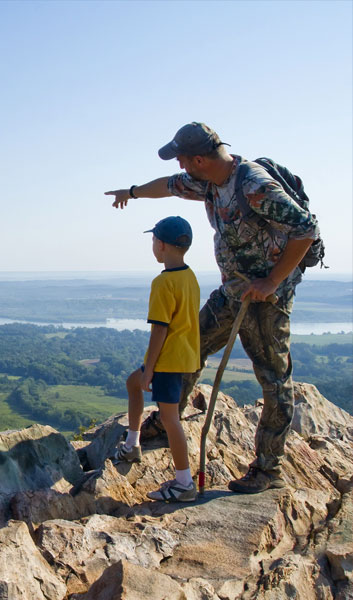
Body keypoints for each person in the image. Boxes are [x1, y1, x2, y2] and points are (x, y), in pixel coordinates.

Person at [106, 122, 319, 494]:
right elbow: (169, 186)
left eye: (184, 160)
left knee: (273, 378)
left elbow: (305, 229)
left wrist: (271, 282)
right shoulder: (208, 180)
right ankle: (168, 417)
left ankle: (269, 469)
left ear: (200, 159)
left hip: (267, 300)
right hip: (233, 291)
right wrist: (132, 192)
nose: (182, 168)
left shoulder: (253, 185)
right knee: (192, 346)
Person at [113, 216, 200, 503]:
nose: (153, 245)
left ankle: (184, 482)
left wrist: (150, 368)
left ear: (161, 245)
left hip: (167, 361)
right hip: (183, 357)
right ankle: (132, 444)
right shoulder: (189, 277)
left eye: (153, 240)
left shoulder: (163, 283)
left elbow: (160, 329)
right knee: (132, 383)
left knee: (169, 419)